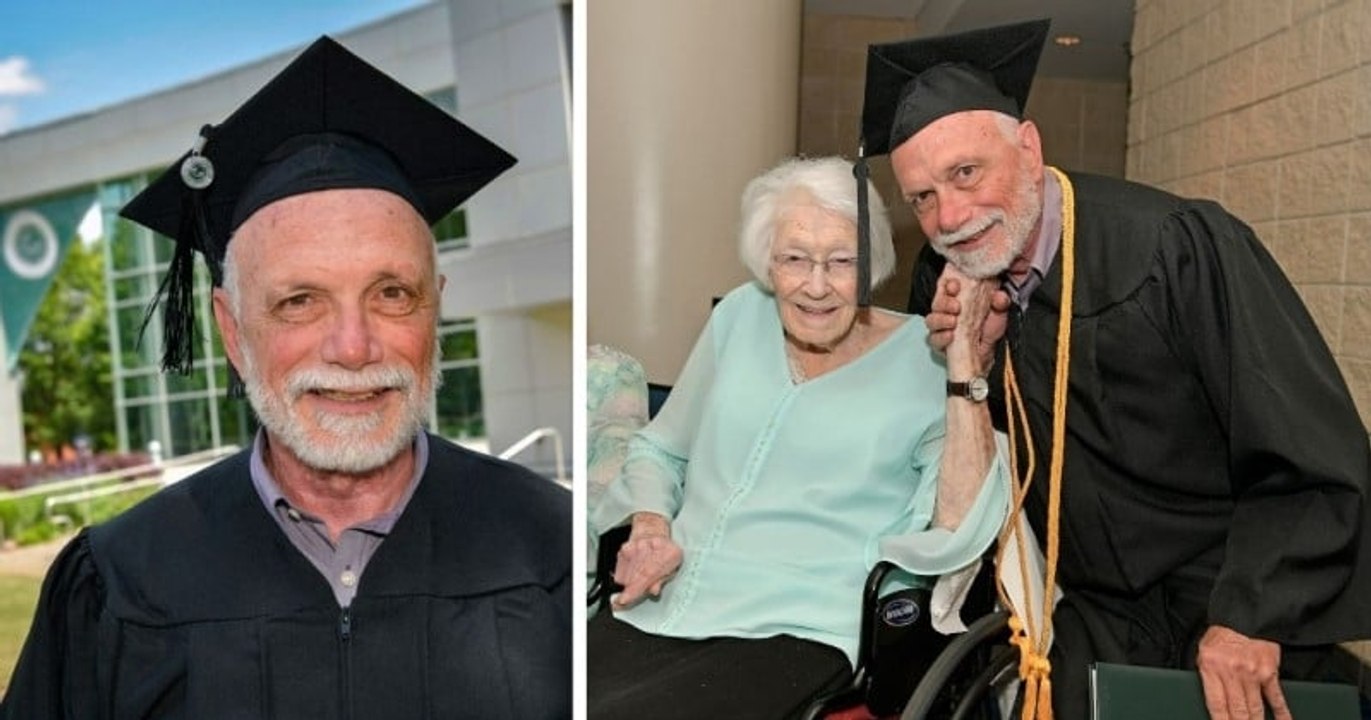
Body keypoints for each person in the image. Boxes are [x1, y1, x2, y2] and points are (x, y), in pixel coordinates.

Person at [1, 37, 571, 719]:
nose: (354, 348)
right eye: (299, 301)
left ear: (436, 308)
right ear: (233, 332)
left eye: (392, 293)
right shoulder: (122, 580)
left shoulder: (548, 547)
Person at [856, 18, 1371, 720]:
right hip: (1090, 613)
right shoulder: (948, 280)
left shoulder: (1175, 249)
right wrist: (971, 358)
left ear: (1028, 148)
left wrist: (1255, 614)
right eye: (921, 197)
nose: (949, 214)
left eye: (965, 173)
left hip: (1225, 603)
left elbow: (1308, 449)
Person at [587, 156, 1011, 719]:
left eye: (841, 262)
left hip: (799, 629)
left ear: (872, 266)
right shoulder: (740, 316)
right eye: (794, 259)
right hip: (661, 604)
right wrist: (649, 526)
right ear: (767, 262)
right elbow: (662, 448)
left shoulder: (925, 358)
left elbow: (958, 526)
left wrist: (964, 367)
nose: (816, 287)